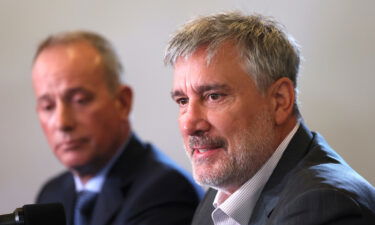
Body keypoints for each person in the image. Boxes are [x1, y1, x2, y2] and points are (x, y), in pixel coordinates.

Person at [164, 11, 375, 225]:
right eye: (182, 101)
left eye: (214, 96)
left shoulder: (324, 205)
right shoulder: (223, 193)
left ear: (279, 99)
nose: (189, 124)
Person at [31, 30, 202, 225]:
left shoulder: (165, 191)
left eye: (80, 100)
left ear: (122, 102)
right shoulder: (52, 195)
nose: (62, 123)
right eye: (47, 106)